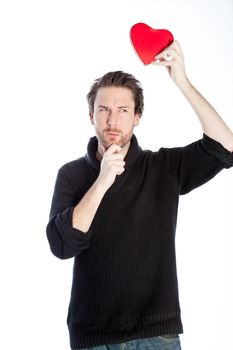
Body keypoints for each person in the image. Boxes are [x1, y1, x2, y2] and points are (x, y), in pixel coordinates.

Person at [46, 40, 233, 350]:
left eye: (123, 110)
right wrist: (103, 180)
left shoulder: (163, 167)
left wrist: (181, 80)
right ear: (91, 116)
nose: (112, 120)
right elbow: (62, 246)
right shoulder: (72, 174)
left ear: (137, 117)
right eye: (103, 110)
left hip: (156, 336)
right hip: (93, 338)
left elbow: (226, 147)